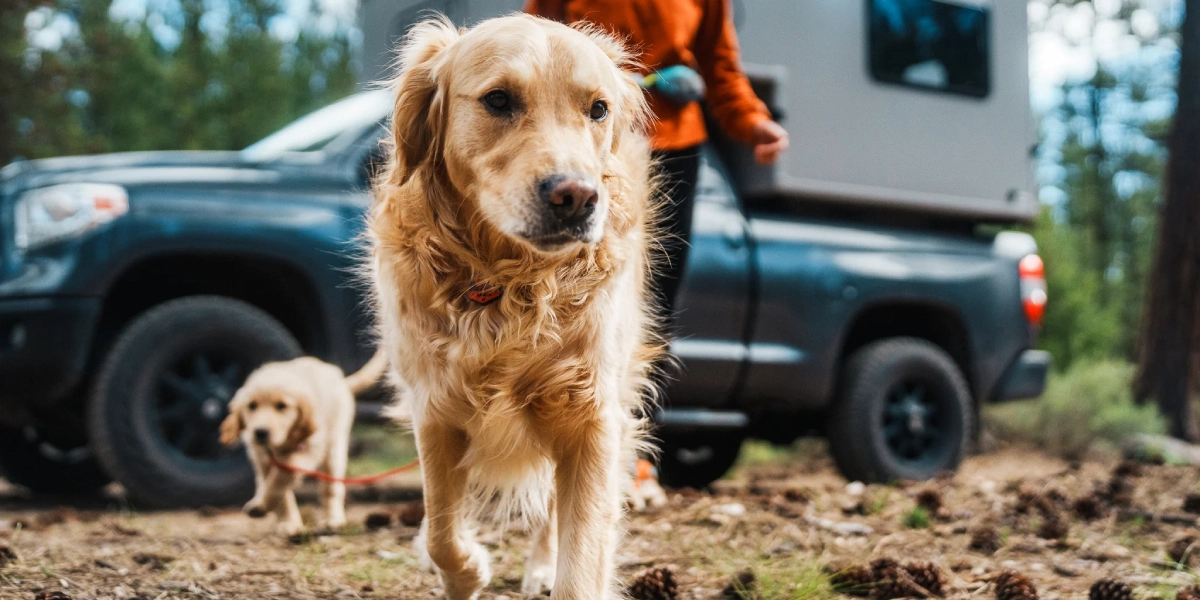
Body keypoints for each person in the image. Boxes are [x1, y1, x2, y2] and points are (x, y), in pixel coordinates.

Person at [523, 0, 789, 320]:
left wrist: (753, 122)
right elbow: (531, 42)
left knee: (654, 299)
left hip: (672, 152)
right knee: (567, 281)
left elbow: (721, 68)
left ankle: (643, 368)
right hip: (590, 145)